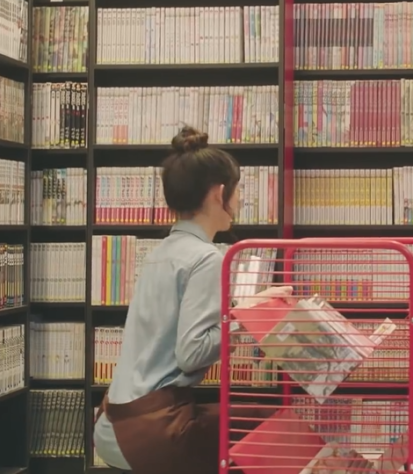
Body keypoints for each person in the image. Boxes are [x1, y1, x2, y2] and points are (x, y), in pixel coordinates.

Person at [93, 126, 274, 474]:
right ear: (219, 193)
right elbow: (191, 354)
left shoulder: (161, 252)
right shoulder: (207, 258)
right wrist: (246, 315)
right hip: (149, 429)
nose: (239, 202)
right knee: (274, 425)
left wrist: (241, 312)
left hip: (112, 420)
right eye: (238, 191)